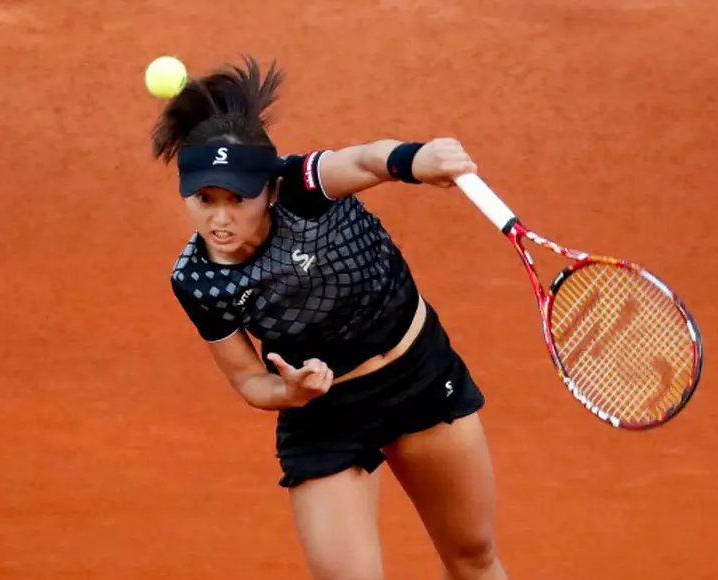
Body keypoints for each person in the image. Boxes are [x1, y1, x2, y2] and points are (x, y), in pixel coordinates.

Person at [152, 55, 508, 580]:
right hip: (325, 415)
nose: (220, 218)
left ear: (270, 189)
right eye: (205, 199)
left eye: (238, 199)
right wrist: (290, 391)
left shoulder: (302, 186)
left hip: (418, 377)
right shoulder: (198, 280)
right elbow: (249, 379)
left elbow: (365, 162)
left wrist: (414, 158)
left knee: (473, 556)